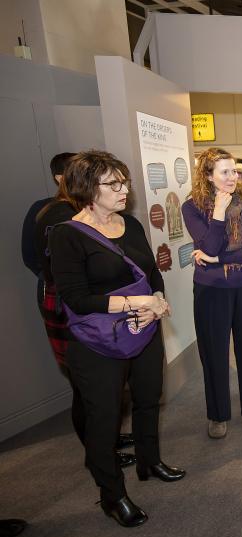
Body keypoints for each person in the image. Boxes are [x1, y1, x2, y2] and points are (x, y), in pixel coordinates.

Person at [49, 150, 185, 527]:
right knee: (104, 419)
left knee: (148, 399)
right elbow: (75, 298)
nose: (124, 189)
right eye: (113, 183)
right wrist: (133, 302)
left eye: (124, 182)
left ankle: (149, 461)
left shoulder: (131, 225)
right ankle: (113, 495)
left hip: (143, 329)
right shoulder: (67, 234)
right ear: (87, 188)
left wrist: (156, 301)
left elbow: (151, 272)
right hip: (97, 343)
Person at [30, 153, 136, 468]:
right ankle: (98, 452)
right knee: (87, 387)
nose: (122, 189)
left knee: (104, 389)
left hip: (102, 308)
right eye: (111, 182)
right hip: (68, 306)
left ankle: (107, 441)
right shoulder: (60, 219)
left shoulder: (107, 216)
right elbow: (42, 263)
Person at [182, 148, 242, 439]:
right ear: (208, 176)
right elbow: (206, 246)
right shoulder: (192, 207)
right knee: (214, 355)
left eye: (234, 170)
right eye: (225, 172)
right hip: (211, 290)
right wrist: (219, 212)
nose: (233, 177)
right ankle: (217, 415)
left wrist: (219, 260)